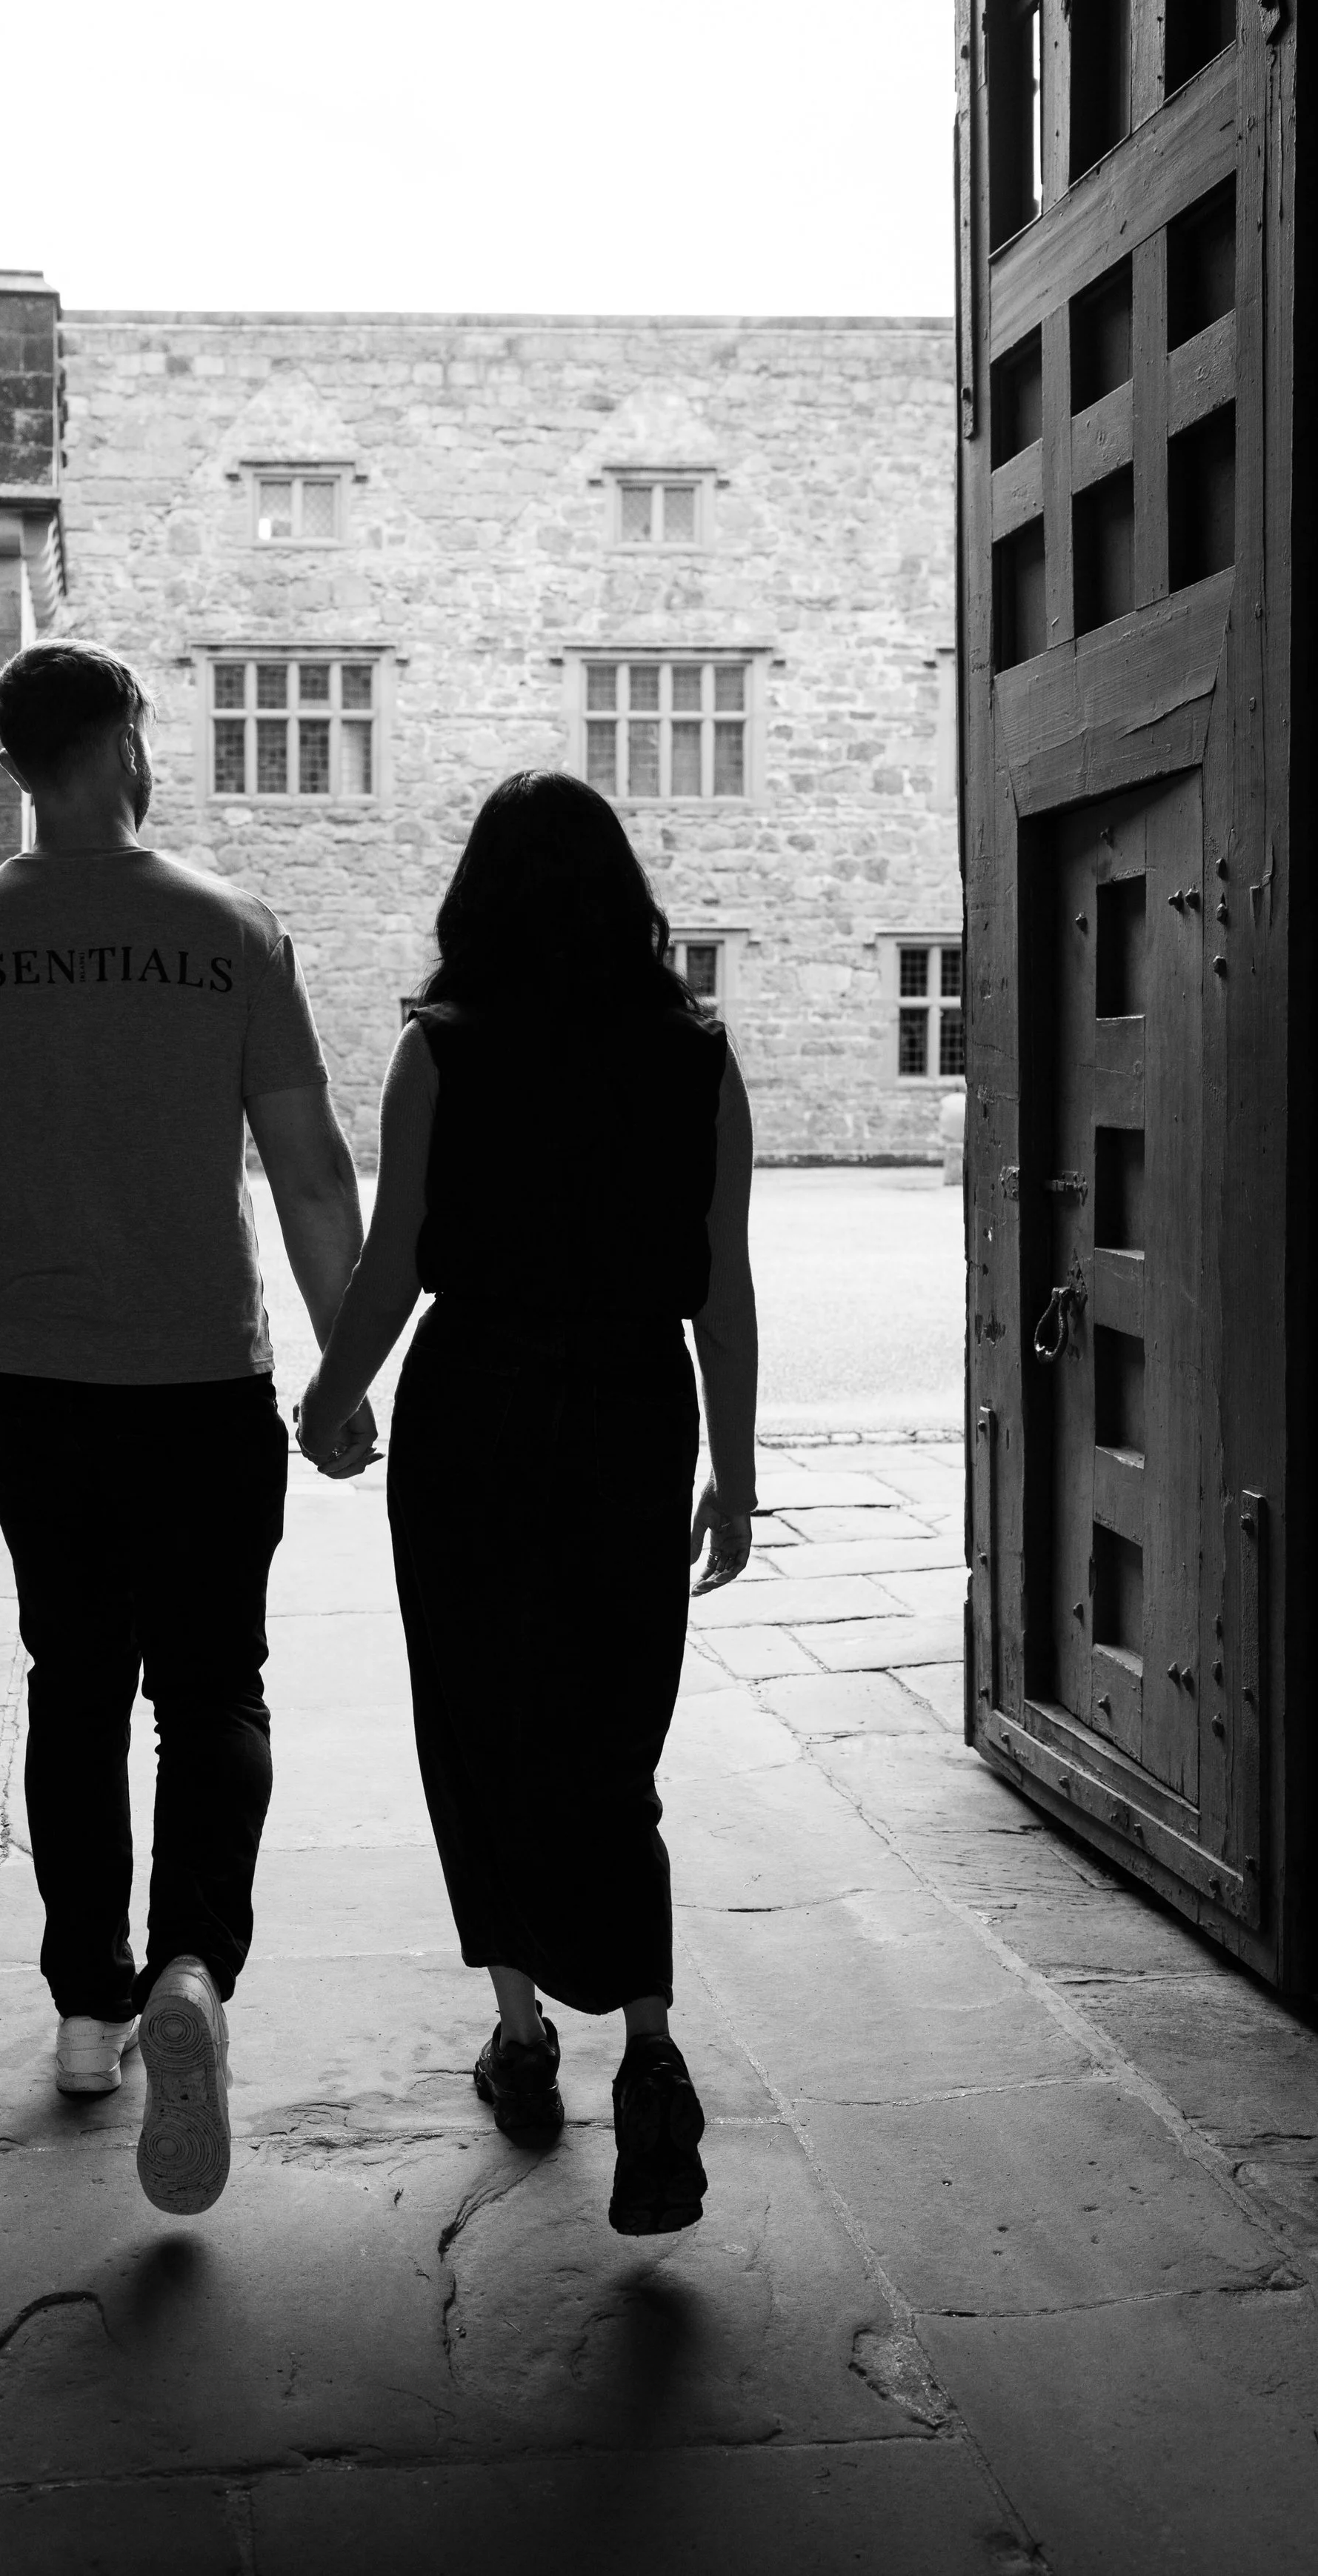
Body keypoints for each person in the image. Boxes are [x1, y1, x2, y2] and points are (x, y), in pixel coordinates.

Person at [0, 639, 375, 2219]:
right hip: (202, 1383)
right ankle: (194, 1974)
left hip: (35, 1386)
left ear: (17, 761)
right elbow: (304, 1177)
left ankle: (88, 2007)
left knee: (74, 1687)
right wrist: (345, 1373)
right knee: (213, 1688)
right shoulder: (228, 934)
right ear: (130, 742)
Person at [293, 771, 758, 2236]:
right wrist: (733, 1474)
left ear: (475, 901)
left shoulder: (438, 1050)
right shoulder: (698, 1054)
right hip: (630, 1413)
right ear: (627, 901)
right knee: (612, 1744)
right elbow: (721, 1291)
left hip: (475, 1413)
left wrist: (330, 1392)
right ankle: (651, 2055)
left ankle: (517, 2035)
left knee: (480, 1726)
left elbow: (390, 1264)